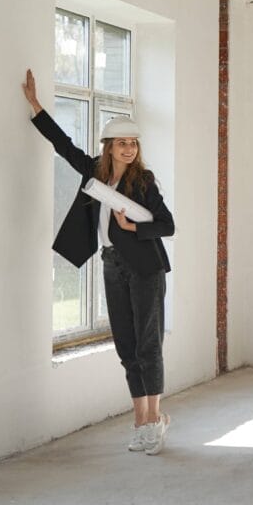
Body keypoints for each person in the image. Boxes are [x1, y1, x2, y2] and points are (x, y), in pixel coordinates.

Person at [22, 69, 175, 455]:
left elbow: (167, 225)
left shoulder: (145, 181)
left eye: (133, 144)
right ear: (108, 146)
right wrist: (37, 107)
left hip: (146, 268)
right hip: (112, 265)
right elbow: (64, 145)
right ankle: (139, 421)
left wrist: (133, 226)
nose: (128, 149)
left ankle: (155, 419)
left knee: (147, 345)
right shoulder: (94, 171)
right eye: (121, 143)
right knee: (125, 345)